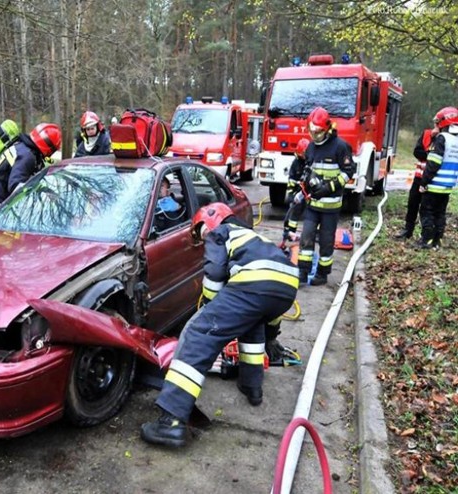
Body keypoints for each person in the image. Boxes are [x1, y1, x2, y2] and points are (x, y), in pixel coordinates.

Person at [140, 203, 299, 448]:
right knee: (252, 324)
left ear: (214, 219)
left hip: (253, 283)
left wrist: (211, 309)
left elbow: (214, 272)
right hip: (287, 286)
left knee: (197, 333)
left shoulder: (221, 232)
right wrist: (271, 338)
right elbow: (268, 312)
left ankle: (171, 422)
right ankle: (251, 387)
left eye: (201, 231)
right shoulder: (255, 238)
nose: (203, 239)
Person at [297, 107, 355, 286]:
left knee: (326, 241)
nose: (315, 136)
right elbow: (308, 170)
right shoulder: (311, 148)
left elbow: (348, 172)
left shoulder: (340, 147)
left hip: (331, 206)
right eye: (312, 132)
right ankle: (303, 272)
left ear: (327, 128)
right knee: (306, 237)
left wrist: (328, 188)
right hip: (313, 205)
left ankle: (322, 275)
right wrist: (303, 188)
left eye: (319, 132)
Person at [0, 123, 62, 218]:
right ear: (50, 149)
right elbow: (16, 185)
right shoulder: (27, 156)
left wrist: (45, 190)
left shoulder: (22, 147)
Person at [417, 106, 458, 249]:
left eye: (437, 122)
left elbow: (433, 163)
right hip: (447, 187)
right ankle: (437, 240)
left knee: (426, 211)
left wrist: (424, 182)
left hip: (434, 185)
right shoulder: (456, 140)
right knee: (440, 214)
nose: (436, 125)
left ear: (443, 122)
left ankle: (426, 240)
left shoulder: (442, 139)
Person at [395, 121, 439, 239]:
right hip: (419, 177)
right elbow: (417, 152)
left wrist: (428, 154)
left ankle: (428, 235)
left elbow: (440, 157)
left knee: (427, 208)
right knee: (412, 203)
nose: (436, 126)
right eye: (436, 124)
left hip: (433, 179)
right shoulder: (427, 134)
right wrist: (430, 153)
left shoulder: (444, 139)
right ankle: (408, 230)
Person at [283, 137, 311, 241]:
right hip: (296, 192)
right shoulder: (296, 163)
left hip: (308, 193)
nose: (302, 157)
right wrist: (293, 195)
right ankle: (290, 232)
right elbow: (291, 180)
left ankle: (313, 234)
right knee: (293, 212)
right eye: (301, 155)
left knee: (312, 214)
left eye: (304, 155)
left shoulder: (311, 162)